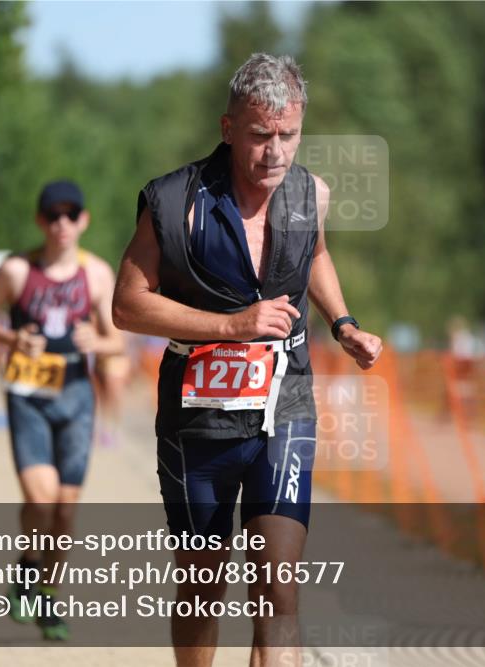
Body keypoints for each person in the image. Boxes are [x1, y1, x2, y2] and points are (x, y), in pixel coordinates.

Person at [113, 54, 383, 667]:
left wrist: (343, 324)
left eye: (289, 134)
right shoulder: (172, 200)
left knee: (278, 592)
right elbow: (127, 307)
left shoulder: (311, 193)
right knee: (203, 588)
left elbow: (312, 254)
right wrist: (231, 326)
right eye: (261, 135)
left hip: (284, 407)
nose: (276, 152)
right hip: (197, 420)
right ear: (228, 127)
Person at [0, 180, 123, 640]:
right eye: (52, 215)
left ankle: (47, 594)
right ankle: (28, 566)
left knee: (66, 511)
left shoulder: (95, 274)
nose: (61, 224)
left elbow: (118, 338)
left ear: (83, 220)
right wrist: (11, 338)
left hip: (77, 395)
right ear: (40, 221)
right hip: (27, 395)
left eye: (70, 214)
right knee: (42, 497)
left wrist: (98, 341)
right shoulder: (17, 270)